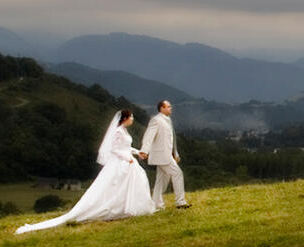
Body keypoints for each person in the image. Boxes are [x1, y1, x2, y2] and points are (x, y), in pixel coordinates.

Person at [15, 109, 156, 234]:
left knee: (132, 183)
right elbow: (114, 149)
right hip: (122, 163)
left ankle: (128, 207)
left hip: (127, 161)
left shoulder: (124, 131)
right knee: (116, 187)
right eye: (131, 117)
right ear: (125, 119)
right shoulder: (118, 131)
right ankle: (118, 208)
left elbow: (126, 147)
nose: (132, 119)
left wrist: (137, 152)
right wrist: (128, 158)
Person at [140, 100, 189, 209]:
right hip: (161, 155)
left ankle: (156, 204)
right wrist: (144, 150)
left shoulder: (168, 120)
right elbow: (149, 135)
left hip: (166, 155)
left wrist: (175, 153)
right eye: (168, 107)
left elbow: (172, 140)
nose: (170, 108)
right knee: (178, 174)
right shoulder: (156, 120)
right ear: (162, 108)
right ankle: (180, 202)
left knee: (160, 181)